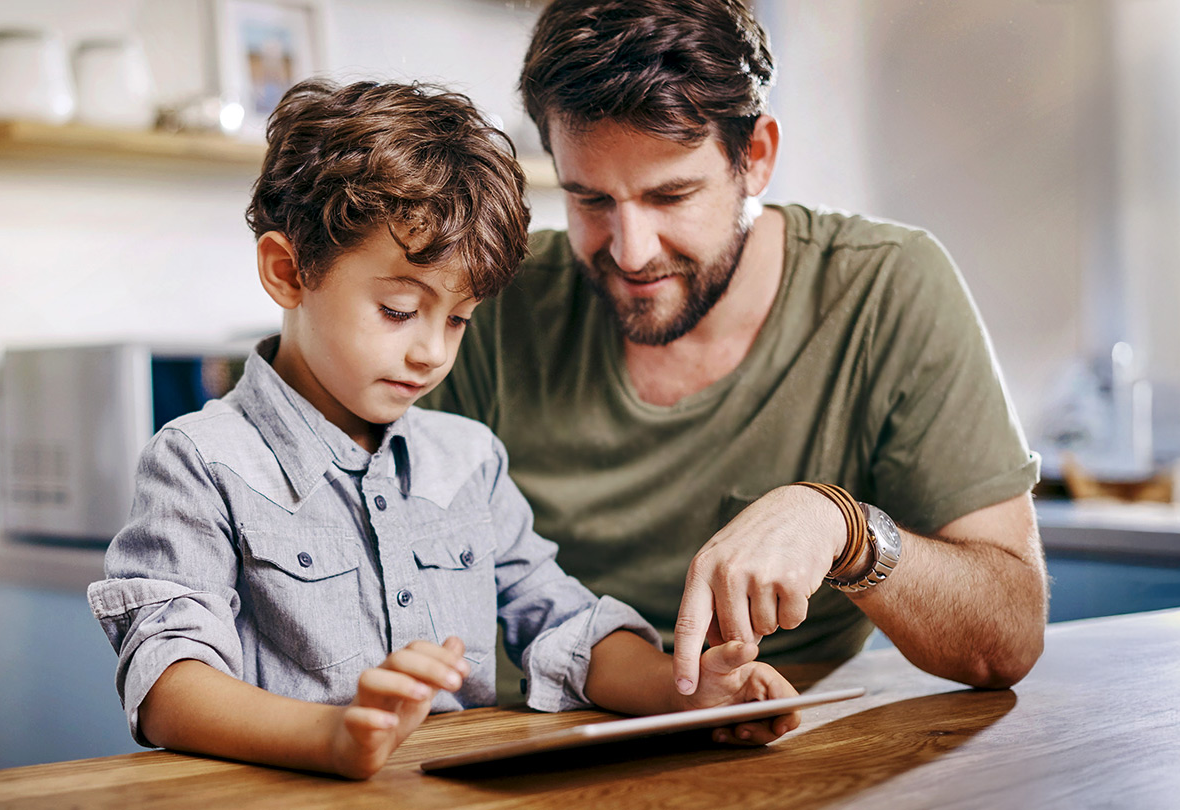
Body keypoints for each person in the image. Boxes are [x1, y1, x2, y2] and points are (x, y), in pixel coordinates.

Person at [87, 79, 799, 781]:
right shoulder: (201, 461)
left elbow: (559, 621)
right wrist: (329, 737)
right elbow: (167, 682)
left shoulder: (467, 461)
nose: (431, 351)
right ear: (287, 271)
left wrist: (687, 694)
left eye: (458, 319)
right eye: (399, 310)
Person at [424, 0, 1047, 697]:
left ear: (756, 157)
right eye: (590, 200)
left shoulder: (887, 289)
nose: (630, 252)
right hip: (527, 736)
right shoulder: (493, 298)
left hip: (777, 741)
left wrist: (846, 531)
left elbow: (1008, 638)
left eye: (671, 196)